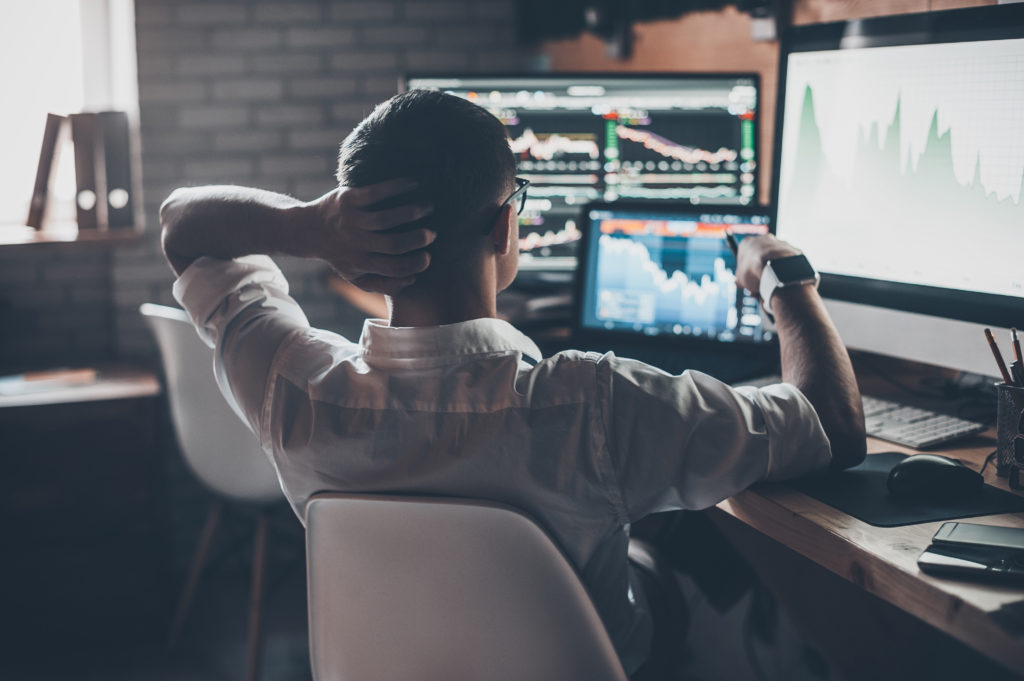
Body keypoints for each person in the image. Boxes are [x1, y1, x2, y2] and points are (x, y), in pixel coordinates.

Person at [161, 89, 866, 676]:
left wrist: (307, 226)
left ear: (350, 250)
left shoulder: (295, 390)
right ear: (505, 227)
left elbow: (182, 227)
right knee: (678, 546)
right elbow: (833, 424)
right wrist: (785, 277)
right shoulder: (596, 404)